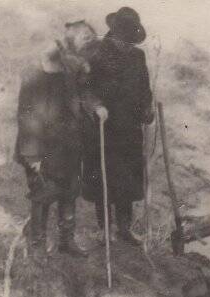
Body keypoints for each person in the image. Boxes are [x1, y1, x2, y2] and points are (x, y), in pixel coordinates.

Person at [14, 20, 98, 258]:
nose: (86, 49)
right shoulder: (36, 73)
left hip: (69, 145)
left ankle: (66, 241)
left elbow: (83, 94)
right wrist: (32, 155)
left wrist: (96, 107)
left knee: (69, 192)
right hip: (43, 148)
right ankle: (37, 245)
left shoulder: (72, 68)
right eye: (84, 40)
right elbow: (28, 117)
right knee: (43, 195)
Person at [83, 7, 154, 246]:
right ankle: (105, 230)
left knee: (127, 180)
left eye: (131, 40)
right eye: (124, 39)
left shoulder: (137, 57)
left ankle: (124, 229)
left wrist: (147, 109)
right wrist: (96, 106)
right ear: (114, 34)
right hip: (103, 129)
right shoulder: (96, 54)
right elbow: (84, 88)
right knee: (103, 179)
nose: (128, 45)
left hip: (130, 129)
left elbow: (145, 89)